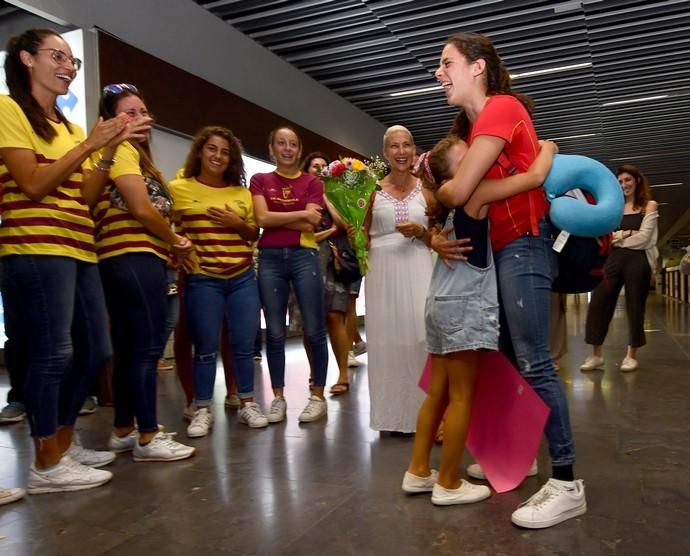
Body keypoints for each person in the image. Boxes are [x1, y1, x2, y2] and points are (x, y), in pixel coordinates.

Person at [431, 32, 585, 528]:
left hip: (524, 245)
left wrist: (459, 187)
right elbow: (459, 193)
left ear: (477, 67)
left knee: (535, 362)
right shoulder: (481, 124)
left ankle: (566, 482)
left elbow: (457, 191)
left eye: (447, 62)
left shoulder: (500, 107)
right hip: (506, 249)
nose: (439, 72)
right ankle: (524, 458)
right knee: (518, 362)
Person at [0, 28, 138, 492]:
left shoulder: (69, 126)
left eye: (73, 60)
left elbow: (86, 197)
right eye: (58, 56)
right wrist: (89, 146)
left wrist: (108, 151)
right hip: (36, 247)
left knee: (97, 349)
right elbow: (33, 184)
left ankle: (62, 442)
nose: (69, 67)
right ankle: (46, 462)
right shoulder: (8, 109)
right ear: (25, 59)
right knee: (53, 352)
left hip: (78, 245)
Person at [403, 135, 557, 505]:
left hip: (439, 305)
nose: (477, 160)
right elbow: (535, 176)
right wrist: (548, 148)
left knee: (438, 394)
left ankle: (419, 471)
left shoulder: (452, 210)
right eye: (466, 158)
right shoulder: (476, 195)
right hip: (464, 308)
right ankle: (449, 483)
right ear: (451, 178)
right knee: (461, 398)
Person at [94, 82, 195, 461]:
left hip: (126, 258)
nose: (141, 119)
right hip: (133, 258)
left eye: (143, 111)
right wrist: (175, 241)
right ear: (110, 120)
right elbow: (141, 208)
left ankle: (124, 428)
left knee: (128, 347)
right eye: (129, 113)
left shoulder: (133, 155)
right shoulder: (120, 151)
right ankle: (149, 436)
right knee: (145, 349)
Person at [169, 126, 266, 435]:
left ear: (232, 159)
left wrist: (238, 223)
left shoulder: (242, 194)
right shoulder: (179, 188)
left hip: (241, 277)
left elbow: (253, 234)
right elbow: (166, 227)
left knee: (242, 344)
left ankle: (248, 402)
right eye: (212, 149)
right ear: (200, 151)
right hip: (202, 279)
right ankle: (201, 408)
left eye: (225, 152)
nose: (218, 156)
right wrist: (178, 246)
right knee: (206, 347)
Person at [250, 127, 329, 423]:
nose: (287, 149)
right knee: (275, 331)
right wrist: (298, 215)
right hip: (269, 259)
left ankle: (317, 395)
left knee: (314, 329)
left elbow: (311, 225)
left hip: (303, 256)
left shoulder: (312, 181)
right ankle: (278, 397)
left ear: (299, 150)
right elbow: (260, 219)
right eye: (281, 143)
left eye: (293, 145)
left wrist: (275, 219)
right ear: (271, 148)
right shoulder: (260, 180)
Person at [364, 125, 433, 434]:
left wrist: (422, 232)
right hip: (382, 272)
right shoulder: (370, 190)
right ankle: (391, 417)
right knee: (386, 340)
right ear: (385, 152)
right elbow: (362, 235)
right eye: (395, 146)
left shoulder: (427, 189)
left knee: (422, 337)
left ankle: (427, 415)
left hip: (418, 266)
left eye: (407, 145)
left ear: (413, 150)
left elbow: (439, 238)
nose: (401, 151)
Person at [581, 164, 658, 372]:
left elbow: (645, 239)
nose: (624, 185)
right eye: (620, 181)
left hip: (638, 260)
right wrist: (627, 234)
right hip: (612, 259)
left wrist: (619, 237)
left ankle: (631, 355)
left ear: (637, 181)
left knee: (635, 306)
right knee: (598, 302)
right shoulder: (614, 208)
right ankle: (596, 355)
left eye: (628, 180)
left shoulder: (649, 206)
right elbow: (606, 236)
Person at [301, 152, 351, 395]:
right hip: (306, 261)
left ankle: (343, 372)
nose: (319, 170)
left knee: (335, 318)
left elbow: (343, 223)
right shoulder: (299, 194)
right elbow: (301, 233)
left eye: (324, 167)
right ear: (306, 169)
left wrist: (324, 195)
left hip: (334, 262)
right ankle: (315, 372)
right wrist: (327, 231)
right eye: (314, 166)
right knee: (310, 322)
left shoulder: (336, 195)